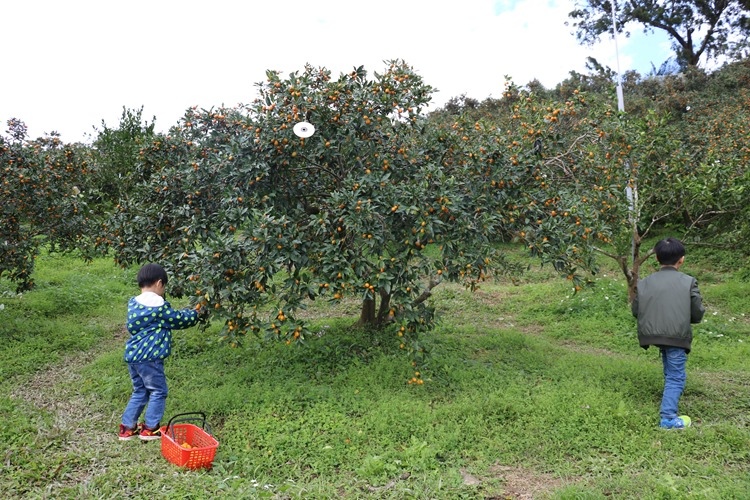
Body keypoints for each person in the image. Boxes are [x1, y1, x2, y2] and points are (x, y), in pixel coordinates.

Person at [118, 263, 206, 441]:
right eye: (164, 286)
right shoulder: (158, 306)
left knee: (140, 391)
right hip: (150, 357)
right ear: (159, 283)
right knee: (158, 391)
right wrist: (196, 313)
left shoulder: (133, 304)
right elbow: (178, 320)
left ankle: (127, 429)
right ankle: (150, 428)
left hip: (133, 356)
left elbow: (132, 327)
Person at [632, 237, 705, 429]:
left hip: (651, 333)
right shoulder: (689, 281)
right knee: (676, 375)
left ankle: (668, 396)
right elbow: (697, 312)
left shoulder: (644, 282)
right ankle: (668, 419)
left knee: (670, 366)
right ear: (681, 259)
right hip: (676, 335)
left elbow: (635, 311)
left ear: (656, 258)